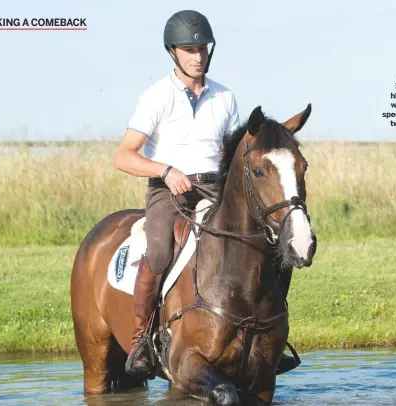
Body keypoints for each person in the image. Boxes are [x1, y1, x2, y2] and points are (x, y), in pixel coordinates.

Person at [115, 9, 297, 381]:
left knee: (273, 251)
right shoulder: (157, 97)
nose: (197, 56)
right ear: (173, 52)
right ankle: (141, 343)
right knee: (160, 251)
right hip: (168, 192)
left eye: (202, 48)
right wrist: (165, 170)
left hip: (213, 189)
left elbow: (235, 151)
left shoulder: (225, 97)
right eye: (188, 49)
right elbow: (124, 156)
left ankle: (268, 340)